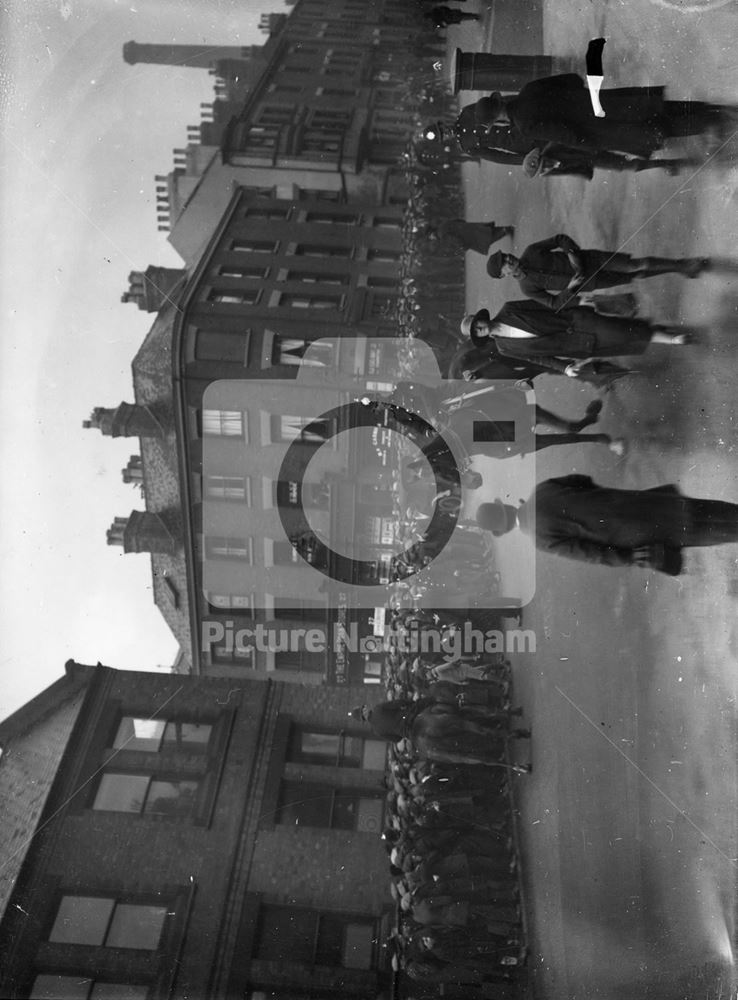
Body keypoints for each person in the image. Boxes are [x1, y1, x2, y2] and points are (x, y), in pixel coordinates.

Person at [475, 475, 738, 574]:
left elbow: (593, 554)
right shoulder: (541, 489)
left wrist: (629, 558)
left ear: (505, 528)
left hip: (639, 533)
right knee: (716, 510)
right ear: (506, 506)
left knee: (716, 532)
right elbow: (584, 480)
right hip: (643, 502)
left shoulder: (540, 539)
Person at [475, 75, 737, 160]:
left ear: (497, 120)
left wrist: (594, 148)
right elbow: (572, 79)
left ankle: (716, 122)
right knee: (660, 107)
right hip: (607, 101)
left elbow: (568, 135)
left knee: (662, 128)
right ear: (499, 99)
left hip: (605, 128)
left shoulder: (525, 126)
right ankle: (716, 110)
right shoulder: (529, 89)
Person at [486, 234, 710, 311]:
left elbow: (559, 239)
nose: (509, 258)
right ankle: (679, 269)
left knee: (636, 265)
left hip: (592, 259)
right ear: (503, 275)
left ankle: (684, 264)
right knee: (635, 275)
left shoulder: (531, 251)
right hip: (591, 283)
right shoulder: (527, 287)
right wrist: (572, 287)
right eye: (505, 262)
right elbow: (554, 304)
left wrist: (572, 254)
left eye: (506, 255)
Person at [429, 112, 690, 176]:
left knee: (598, 135)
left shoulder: (468, 112)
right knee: (600, 159)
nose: (447, 132)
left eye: (442, 128)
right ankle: (662, 164)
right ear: (446, 141)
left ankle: (652, 139)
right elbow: (499, 156)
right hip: (537, 149)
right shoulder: (467, 145)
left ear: (443, 122)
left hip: (540, 128)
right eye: (444, 136)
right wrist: (528, 160)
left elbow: (502, 109)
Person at [462, 302, 692, 375]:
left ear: (481, 318)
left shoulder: (509, 309)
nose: (480, 329)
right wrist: (564, 369)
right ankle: (655, 331)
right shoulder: (504, 348)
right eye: (476, 332)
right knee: (622, 341)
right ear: (479, 336)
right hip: (576, 346)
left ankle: (671, 339)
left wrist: (577, 302)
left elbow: (546, 305)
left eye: (477, 324)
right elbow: (541, 360)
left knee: (619, 330)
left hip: (576, 322)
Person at [426, 219, 514, 256]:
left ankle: (505, 230)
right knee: (486, 231)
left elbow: (455, 240)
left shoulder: (442, 236)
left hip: (467, 238)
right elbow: (458, 220)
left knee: (486, 240)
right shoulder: (442, 225)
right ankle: (506, 228)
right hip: (467, 228)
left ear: (432, 233)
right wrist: (464, 225)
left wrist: (462, 247)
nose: (432, 238)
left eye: (431, 237)